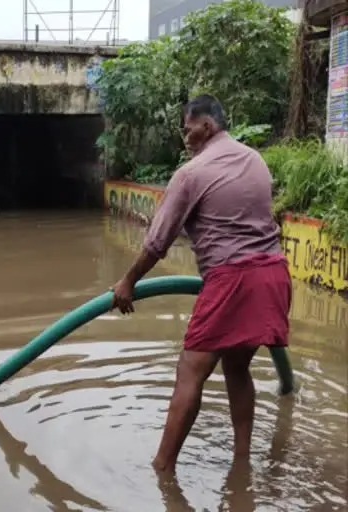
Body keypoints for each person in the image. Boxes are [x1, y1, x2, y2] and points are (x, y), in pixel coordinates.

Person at [111, 94, 292, 474]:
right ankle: (241, 464)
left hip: (233, 280)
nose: (184, 137)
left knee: (190, 371)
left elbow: (157, 242)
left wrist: (127, 281)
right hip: (274, 275)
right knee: (237, 368)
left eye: (187, 128)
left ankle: (162, 469)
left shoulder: (191, 174)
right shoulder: (254, 159)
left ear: (207, 125)